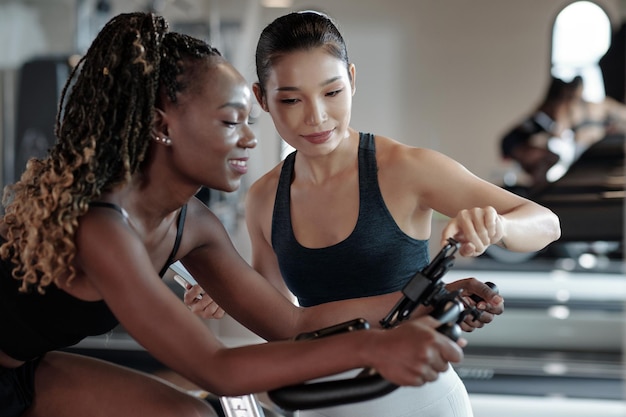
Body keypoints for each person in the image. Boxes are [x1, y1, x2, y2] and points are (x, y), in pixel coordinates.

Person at [0, 12, 469, 417]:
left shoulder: (193, 225)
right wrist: (373, 346)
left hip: (27, 366)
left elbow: (290, 325)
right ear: (163, 125)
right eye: (230, 121)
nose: (248, 139)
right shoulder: (103, 226)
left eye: (249, 121)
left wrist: (422, 298)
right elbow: (217, 369)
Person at [239, 10, 559, 417]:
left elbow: (546, 222)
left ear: (352, 80)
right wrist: (229, 293)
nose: (316, 116)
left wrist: (498, 225)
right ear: (262, 98)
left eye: (332, 92)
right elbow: (281, 329)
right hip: (321, 407)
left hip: (421, 401)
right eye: (291, 99)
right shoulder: (263, 199)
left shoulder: (404, 169)